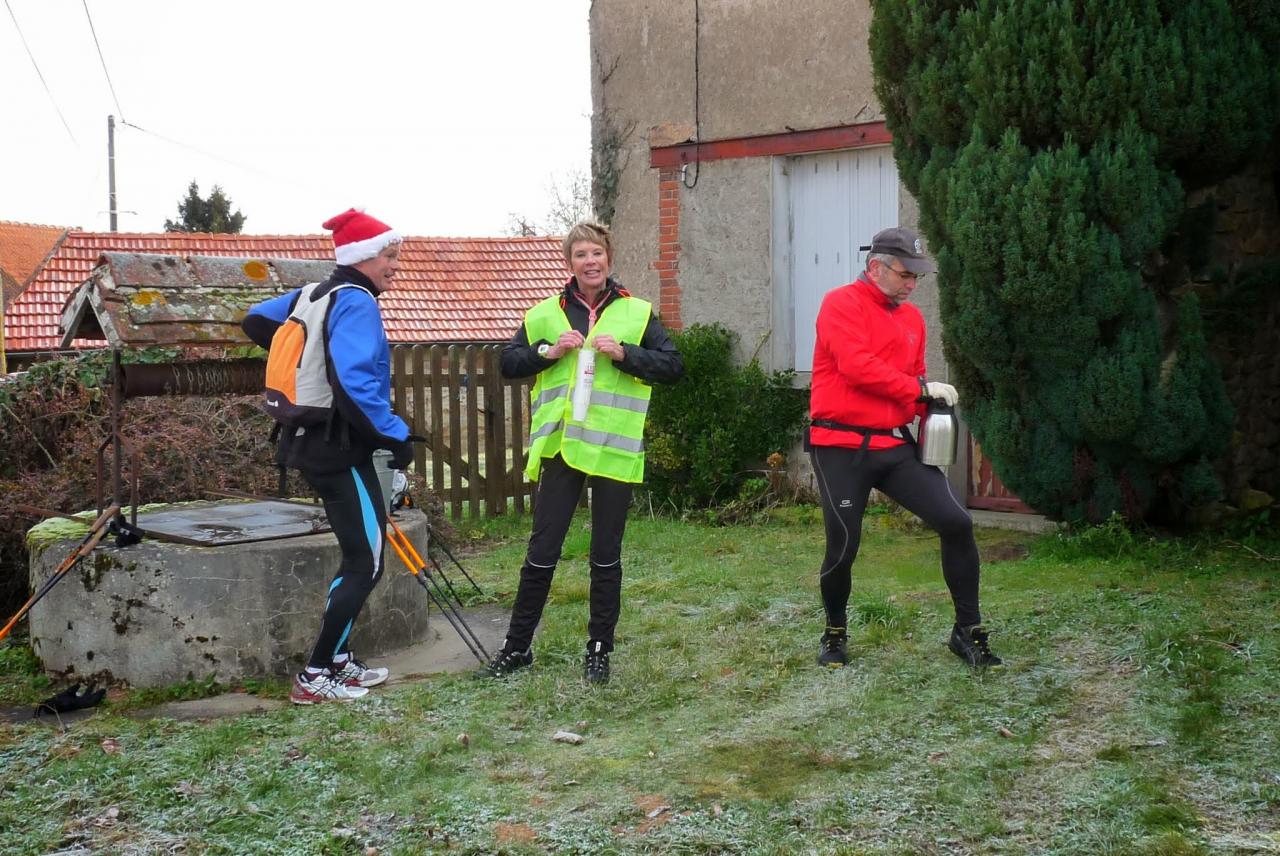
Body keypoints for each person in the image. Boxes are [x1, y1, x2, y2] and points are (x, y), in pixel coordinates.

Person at [488, 221, 683, 684]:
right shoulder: (544, 314)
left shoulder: (637, 312)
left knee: (605, 555)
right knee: (542, 550)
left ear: (609, 258)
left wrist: (627, 355)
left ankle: (599, 650)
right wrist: (547, 352)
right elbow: (508, 363)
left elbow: (674, 366)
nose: (590, 262)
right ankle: (517, 648)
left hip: (613, 449)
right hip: (560, 447)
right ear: (568, 263)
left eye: (596, 253)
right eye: (580, 255)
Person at [242, 208, 416, 704]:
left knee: (362, 552)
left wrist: (303, 361)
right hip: (337, 446)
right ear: (364, 257)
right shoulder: (357, 301)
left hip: (315, 440)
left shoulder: (313, 293)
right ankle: (315, 674)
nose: (394, 266)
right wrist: (397, 435)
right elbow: (358, 385)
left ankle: (338, 661)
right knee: (367, 559)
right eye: (389, 256)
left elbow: (254, 321)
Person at [808, 226, 1002, 669]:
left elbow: (912, 382)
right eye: (905, 274)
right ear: (876, 267)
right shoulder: (840, 304)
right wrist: (918, 387)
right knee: (843, 543)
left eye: (918, 276)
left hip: (894, 446)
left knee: (956, 521)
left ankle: (966, 631)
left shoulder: (912, 319)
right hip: (840, 445)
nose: (912, 284)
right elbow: (857, 367)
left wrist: (931, 406)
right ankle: (835, 633)